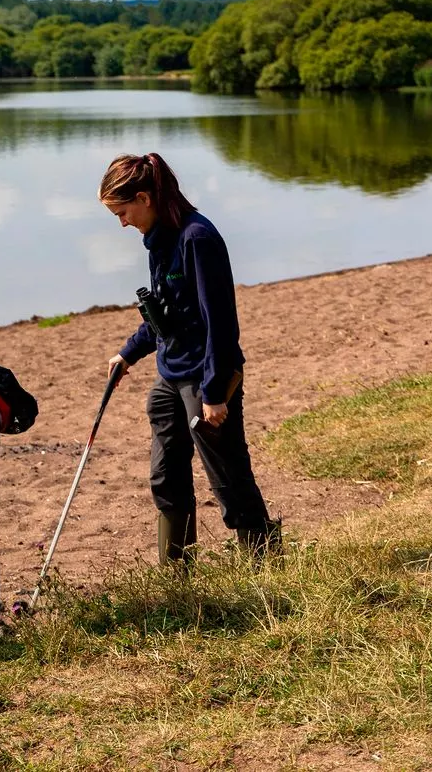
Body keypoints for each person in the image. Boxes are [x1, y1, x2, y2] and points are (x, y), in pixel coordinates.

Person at [99, 152, 279, 565]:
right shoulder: (159, 240)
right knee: (165, 475)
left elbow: (221, 323)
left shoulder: (197, 238)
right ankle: (176, 570)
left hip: (205, 375)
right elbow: (165, 313)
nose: (122, 222)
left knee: (228, 476)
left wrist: (215, 392)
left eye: (122, 212)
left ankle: (266, 563)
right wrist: (128, 353)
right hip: (171, 374)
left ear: (144, 198)